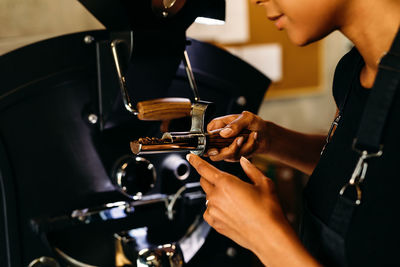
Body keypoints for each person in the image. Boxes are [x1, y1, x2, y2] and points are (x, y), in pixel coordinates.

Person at [186, 0, 400, 266]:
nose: (256, 1)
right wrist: (270, 140)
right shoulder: (353, 68)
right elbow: (367, 170)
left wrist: (264, 236)